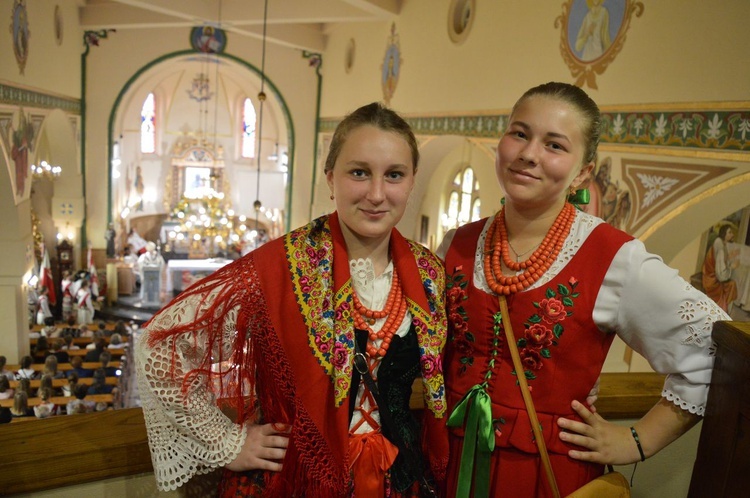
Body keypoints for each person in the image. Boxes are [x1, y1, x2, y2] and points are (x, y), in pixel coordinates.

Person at [135, 102, 449, 496]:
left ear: (412, 181)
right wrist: (228, 443)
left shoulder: (429, 272)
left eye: (394, 175)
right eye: (359, 172)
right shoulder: (275, 269)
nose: (376, 193)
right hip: (292, 480)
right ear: (330, 177)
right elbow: (157, 344)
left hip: (398, 479)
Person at [439, 82, 729, 497]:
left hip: (542, 472)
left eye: (554, 145)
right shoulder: (458, 244)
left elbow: (713, 349)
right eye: (519, 133)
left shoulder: (614, 257)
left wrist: (638, 439)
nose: (529, 154)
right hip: (447, 458)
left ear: (583, 171)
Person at [701, 222, 740, 314]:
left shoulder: (720, 243)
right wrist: (732, 267)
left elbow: (719, 261)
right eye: (729, 232)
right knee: (732, 285)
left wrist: (729, 256)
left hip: (711, 276)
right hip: (712, 281)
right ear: (724, 234)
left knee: (732, 283)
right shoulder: (721, 249)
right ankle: (723, 311)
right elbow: (721, 275)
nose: (732, 234)